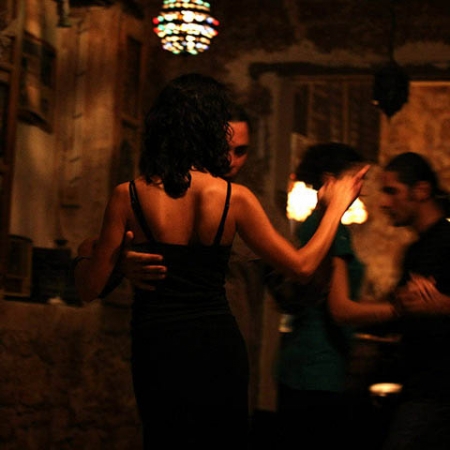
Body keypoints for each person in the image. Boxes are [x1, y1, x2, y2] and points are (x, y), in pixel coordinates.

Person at [73, 73, 368, 450]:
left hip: (158, 345)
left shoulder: (128, 195)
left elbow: (88, 288)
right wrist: (335, 208)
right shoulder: (234, 197)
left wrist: (86, 255)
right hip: (217, 344)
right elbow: (302, 267)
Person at [273, 143, 398, 450]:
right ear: (330, 182)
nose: (362, 190)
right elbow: (340, 309)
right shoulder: (329, 229)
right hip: (318, 369)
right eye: (357, 180)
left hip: (305, 366)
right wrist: (400, 309)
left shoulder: (315, 225)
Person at [377, 152, 450, 450]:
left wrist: (441, 304)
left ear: (421, 191)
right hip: (420, 386)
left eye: (391, 191)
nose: (384, 202)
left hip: (438, 391)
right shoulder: (416, 250)